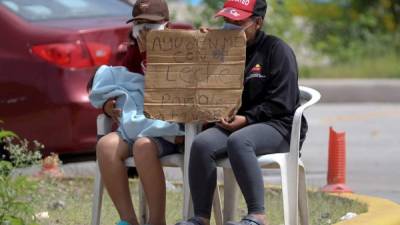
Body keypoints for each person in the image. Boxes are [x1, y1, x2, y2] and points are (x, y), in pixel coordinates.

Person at [176, 1, 308, 225]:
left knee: (239, 141)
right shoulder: (222, 50)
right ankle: (200, 218)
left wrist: (246, 119)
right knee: (202, 144)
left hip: (278, 125)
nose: (231, 26)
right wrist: (204, 47)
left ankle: (257, 216)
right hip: (237, 123)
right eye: (228, 21)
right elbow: (200, 83)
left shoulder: (277, 51)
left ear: (257, 22)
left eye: (238, 22)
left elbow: (282, 103)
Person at [95, 1, 184, 225]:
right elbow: (117, 81)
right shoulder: (133, 50)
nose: (144, 30)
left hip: (171, 130)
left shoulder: (183, 46)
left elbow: (174, 88)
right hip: (139, 124)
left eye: (150, 24)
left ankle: (156, 221)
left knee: (143, 147)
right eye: (139, 23)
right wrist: (107, 103)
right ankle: (128, 220)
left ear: (166, 25)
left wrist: (151, 56)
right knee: (106, 146)